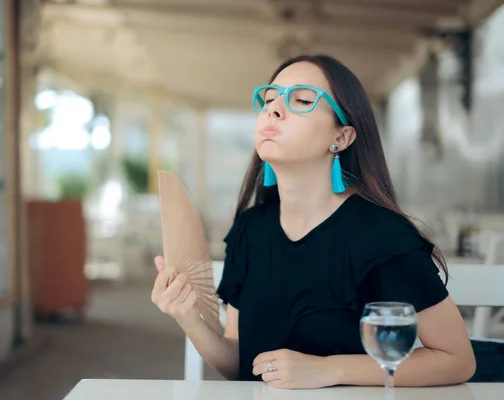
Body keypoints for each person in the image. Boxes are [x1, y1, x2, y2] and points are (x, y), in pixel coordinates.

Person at [150, 54, 476, 389]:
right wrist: (188, 318)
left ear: (342, 137)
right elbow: (238, 364)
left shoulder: (381, 236)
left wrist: (330, 369)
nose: (274, 109)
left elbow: (457, 360)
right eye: (270, 98)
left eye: (302, 100)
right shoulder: (251, 230)